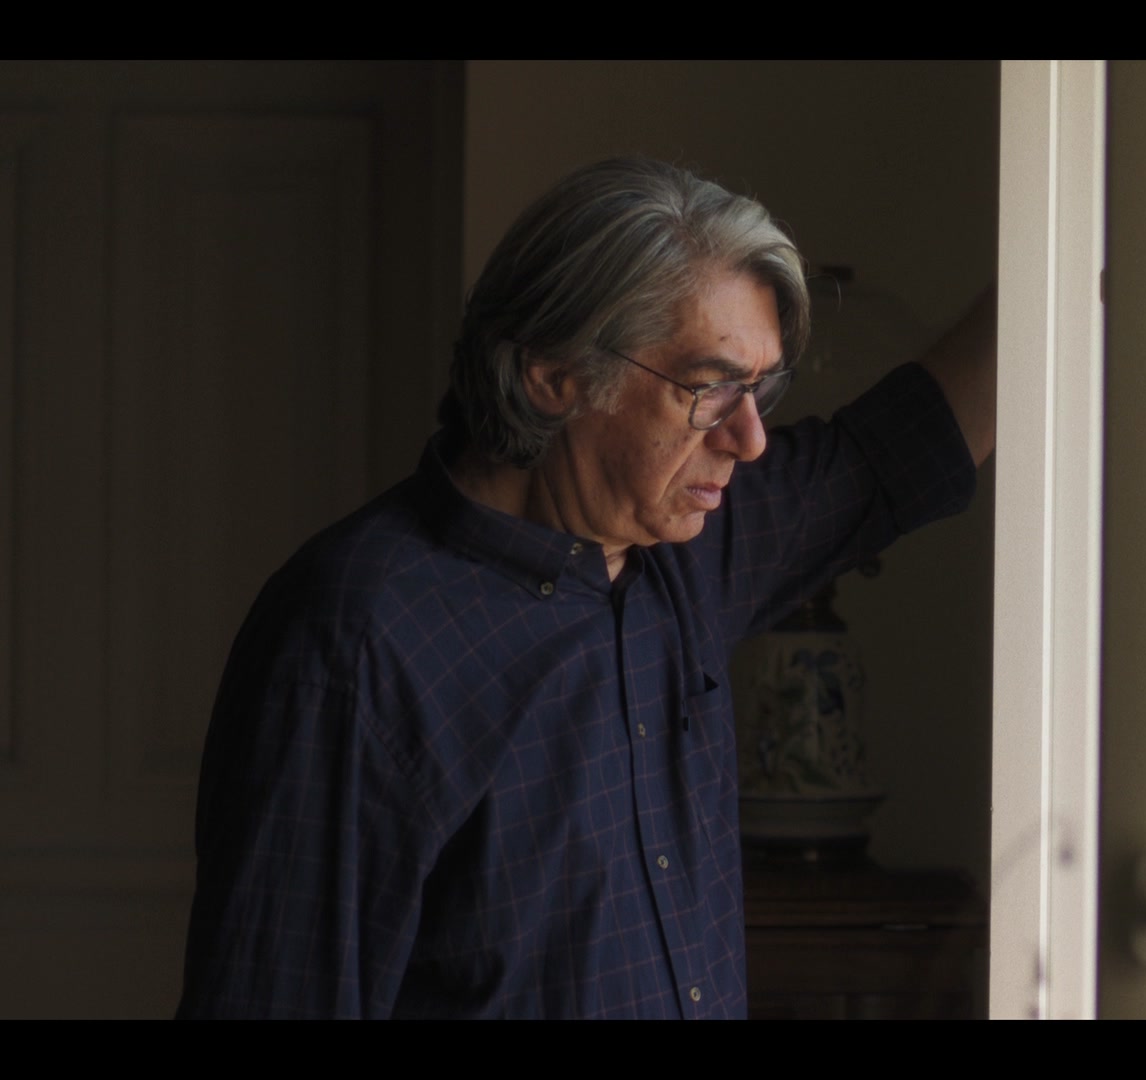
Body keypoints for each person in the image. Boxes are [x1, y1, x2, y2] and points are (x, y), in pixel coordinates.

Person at [176, 157, 994, 1018]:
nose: (750, 439)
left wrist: (1071, 228)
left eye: (760, 389)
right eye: (711, 388)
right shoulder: (352, 640)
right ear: (555, 373)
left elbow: (900, 450)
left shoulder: (687, 543)